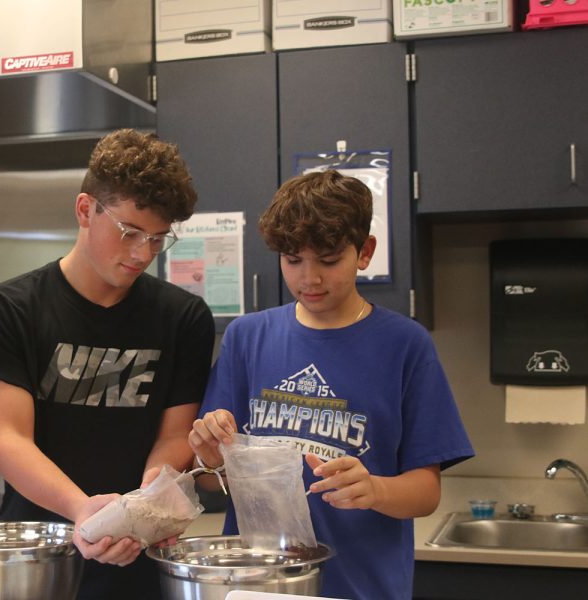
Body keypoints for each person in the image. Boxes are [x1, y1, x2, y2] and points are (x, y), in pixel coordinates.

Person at [189, 170, 473, 600]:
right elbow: (214, 481)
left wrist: (375, 489)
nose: (309, 279)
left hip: (362, 586)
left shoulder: (405, 345)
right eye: (292, 260)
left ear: (364, 252)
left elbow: (426, 492)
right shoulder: (247, 338)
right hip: (260, 586)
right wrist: (210, 457)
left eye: (328, 259)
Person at [0, 129, 215, 599]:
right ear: (85, 210)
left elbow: (174, 436)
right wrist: (84, 511)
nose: (143, 254)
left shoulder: (184, 318)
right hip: (38, 556)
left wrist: (143, 511)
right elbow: (7, 437)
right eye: (129, 232)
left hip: (138, 558)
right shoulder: (8, 309)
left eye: (159, 239)